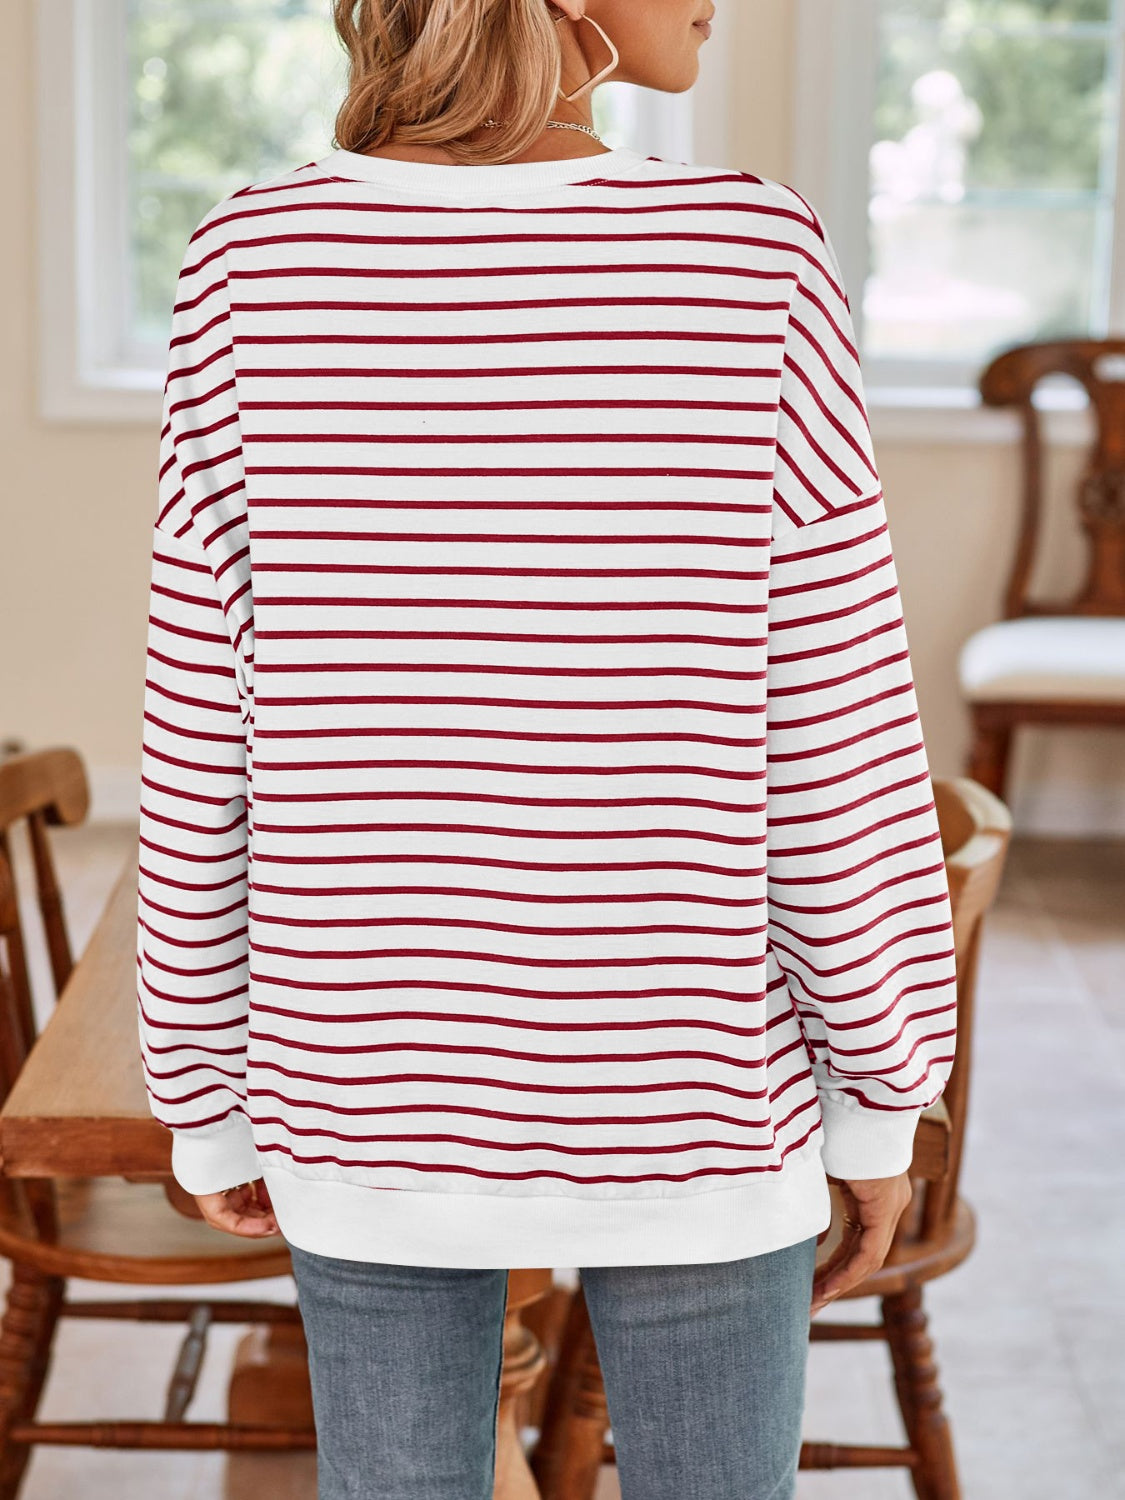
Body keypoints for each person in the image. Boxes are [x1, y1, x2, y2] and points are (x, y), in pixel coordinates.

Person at [135, 2, 957, 1495]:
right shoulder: (749, 255)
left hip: (362, 1080)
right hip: (699, 1094)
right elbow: (835, 731)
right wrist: (877, 1092)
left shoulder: (248, 260)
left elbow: (202, 725)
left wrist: (205, 1093)